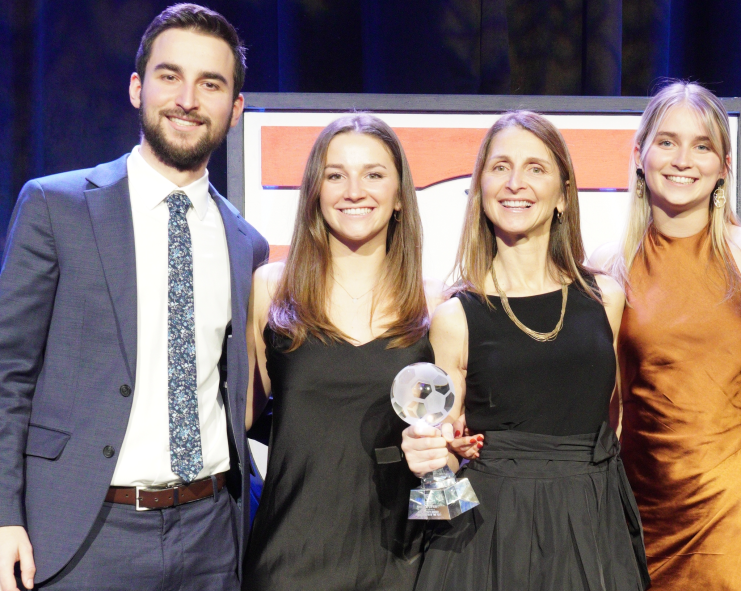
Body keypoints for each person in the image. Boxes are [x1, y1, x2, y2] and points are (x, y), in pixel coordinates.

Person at [0, 4, 268, 590]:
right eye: (170, 76)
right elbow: (7, 373)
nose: (187, 99)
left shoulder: (245, 242)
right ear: (136, 87)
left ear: (236, 107)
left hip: (211, 538)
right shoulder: (56, 207)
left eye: (211, 84)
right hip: (83, 536)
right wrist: (3, 517)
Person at [400, 111, 650, 590]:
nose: (515, 183)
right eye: (500, 167)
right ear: (480, 189)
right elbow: (445, 454)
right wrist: (428, 465)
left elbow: (614, 420)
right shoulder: (454, 317)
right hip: (490, 537)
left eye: (535, 168)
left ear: (563, 194)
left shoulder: (606, 298)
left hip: (592, 524)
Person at [590, 81, 741, 590]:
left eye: (702, 146)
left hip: (740, 517)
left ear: (725, 165)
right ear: (639, 154)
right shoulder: (606, 267)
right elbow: (604, 407)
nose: (683, 160)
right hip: (640, 514)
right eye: (667, 142)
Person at [241, 114, 438, 590]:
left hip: (401, 563)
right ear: (315, 191)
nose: (354, 191)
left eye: (374, 174)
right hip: (289, 558)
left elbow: (446, 458)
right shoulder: (272, 288)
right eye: (335, 176)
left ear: (399, 196)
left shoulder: (435, 302)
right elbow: (234, 421)